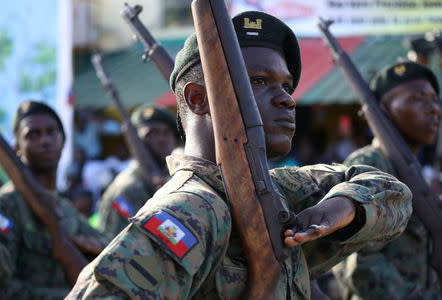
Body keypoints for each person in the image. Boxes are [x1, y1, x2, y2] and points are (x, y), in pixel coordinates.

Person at [67, 11, 412, 299]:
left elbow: (393, 194)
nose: (287, 99)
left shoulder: (278, 191)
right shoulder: (188, 210)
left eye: (287, 86)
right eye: (259, 82)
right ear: (198, 99)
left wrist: (341, 207)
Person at [334, 61, 442, 299]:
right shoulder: (370, 164)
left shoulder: (419, 170)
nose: (434, 109)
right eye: (418, 98)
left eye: (435, 99)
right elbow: (359, 264)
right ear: (384, 112)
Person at [0, 101, 110, 299]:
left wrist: (94, 245)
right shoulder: (4, 205)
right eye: (33, 135)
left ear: (63, 141)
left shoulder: (65, 207)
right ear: (16, 147)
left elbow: (110, 245)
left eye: (51, 132)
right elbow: (0, 286)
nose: (45, 141)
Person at [97, 104, 178, 238]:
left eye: (167, 132)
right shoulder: (125, 189)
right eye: (152, 133)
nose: (163, 139)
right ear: (135, 141)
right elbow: (112, 246)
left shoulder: (174, 179)